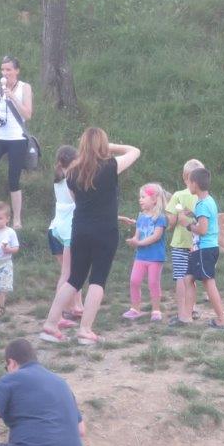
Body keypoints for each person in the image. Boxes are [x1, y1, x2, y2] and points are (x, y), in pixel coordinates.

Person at [39, 127, 141, 345]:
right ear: (101, 145)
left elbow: (77, 201)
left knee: (74, 279)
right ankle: (85, 330)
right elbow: (135, 151)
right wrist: (111, 147)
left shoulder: (71, 173)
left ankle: (50, 325)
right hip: (105, 231)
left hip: (79, 229)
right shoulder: (111, 166)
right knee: (97, 279)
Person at [0, 338, 84, 446]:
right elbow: (81, 430)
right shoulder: (61, 382)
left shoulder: (9, 380)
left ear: (12, 363)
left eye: (7, 368)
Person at [172, 167, 224, 329]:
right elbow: (204, 220)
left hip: (205, 249)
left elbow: (202, 230)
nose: (188, 185)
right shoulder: (207, 201)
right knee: (188, 279)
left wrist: (187, 225)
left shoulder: (202, 205)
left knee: (208, 282)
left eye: (189, 182)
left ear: (195, 184)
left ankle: (222, 320)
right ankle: (186, 317)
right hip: (201, 249)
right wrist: (192, 214)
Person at [119, 184, 168, 321]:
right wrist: (134, 240)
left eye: (143, 197)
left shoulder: (160, 218)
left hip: (155, 257)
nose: (140, 200)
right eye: (140, 197)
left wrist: (139, 243)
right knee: (134, 281)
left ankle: (156, 310)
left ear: (154, 199)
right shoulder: (141, 217)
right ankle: (135, 309)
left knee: (153, 283)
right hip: (141, 256)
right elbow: (138, 235)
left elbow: (156, 236)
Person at [48, 146, 84, 325]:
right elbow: (82, 203)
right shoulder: (73, 180)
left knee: (73, 272)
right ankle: (58, 316)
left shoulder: (58, 178)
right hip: (68, 231)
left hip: (54, 230)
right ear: (74, 161)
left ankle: (77, 306)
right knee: (68, 274)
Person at [0, 56, 33, 229]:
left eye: (8, 69)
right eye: (2, 69)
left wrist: (12, 97)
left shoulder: (25, 87)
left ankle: (17, 218)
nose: (5, 73)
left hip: (17, 138)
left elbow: (28, 115)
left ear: (16, 71)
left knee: (13, 179)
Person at [165, 159, 202, 324]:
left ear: (184, 177)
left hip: (180, 244)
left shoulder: (178, 196)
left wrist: (169, 223)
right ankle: (191, 309)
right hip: (197, 244)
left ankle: (182, 313)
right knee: (191, 277)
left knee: (181, 277)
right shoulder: (203, 197)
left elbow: (171, 221)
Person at [0, 202, 19, 319]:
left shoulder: (10, 232)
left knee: (2, 287)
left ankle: (0, 307)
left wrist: (8, 250)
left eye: (0, 218)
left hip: (5, 264)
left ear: (7, 219)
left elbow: (16, 248)